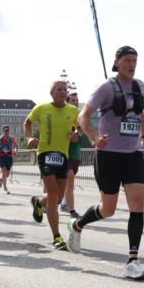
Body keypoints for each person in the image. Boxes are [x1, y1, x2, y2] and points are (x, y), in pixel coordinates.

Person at [67, 46, 144, 280]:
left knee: (138, 204)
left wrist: (143, 138)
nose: (132, 64)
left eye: (135, 60)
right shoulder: (105, 87)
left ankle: (132, 260)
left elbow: (140, 113)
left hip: (132, 154)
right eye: (127, 60)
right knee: (108, 209)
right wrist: (94, 137)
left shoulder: (139, 86)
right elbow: (83, 116)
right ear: (117, 63)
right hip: (109, 155)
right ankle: (77, 225)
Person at [25, 81, 79, 250]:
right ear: (52, 92)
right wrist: (28, 138)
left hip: (63, 155)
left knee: (58, 196)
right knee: (53, 193)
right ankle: (56, 236)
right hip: (45, 153)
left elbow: (79, 128)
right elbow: (28, 122)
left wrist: (77, 134)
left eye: (65, 90)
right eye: (59, 89)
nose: (63, 92)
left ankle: (39, 202)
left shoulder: (72, 110)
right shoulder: (41, 108)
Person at [61, 91, 89, 219]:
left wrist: (78, 134)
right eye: (73, 100)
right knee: (69, 178)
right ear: (67, 102)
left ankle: (63, 203)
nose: (76, 102)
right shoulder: (65, 115)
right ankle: (69, 208)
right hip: (64, 153)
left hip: (75, 153)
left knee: (68, 182)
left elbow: (83, 129)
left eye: (77, 100)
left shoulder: (79, 116)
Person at [0, 125, 16, 194]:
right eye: (5, 130)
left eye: (8, 130)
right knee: (4, 172)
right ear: (3, 131)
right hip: (2, 157)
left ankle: (1, 179)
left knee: (7, 174)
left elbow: (14, 146)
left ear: (9, 131)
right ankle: (5, 188)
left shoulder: (12, 138)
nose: (6, 132)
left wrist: (14, 151)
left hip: (9, 157)